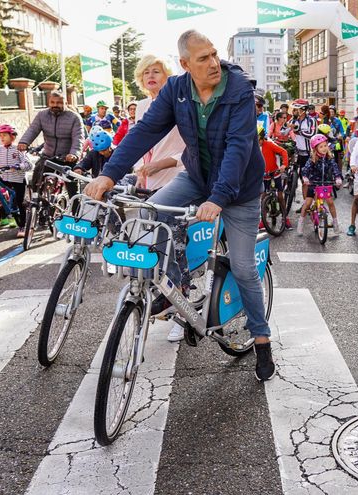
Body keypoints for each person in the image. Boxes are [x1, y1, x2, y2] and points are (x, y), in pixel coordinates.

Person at [84, 30, 275, 380]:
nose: (214, 63)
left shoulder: (238, 90)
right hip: (197, 176)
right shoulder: (177, 90)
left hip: (239, 190)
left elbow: (239, 147)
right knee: (148, 215)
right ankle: (177, 289)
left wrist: (219, 198)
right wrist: (109, 175)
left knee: (245, 268)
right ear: (185, 65)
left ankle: (261, 340)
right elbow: (145, 132)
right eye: (203, 59)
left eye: (215, 54)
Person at [127, 55, 186, 195]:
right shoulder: (141, 106)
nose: (150, 76)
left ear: (169, 77)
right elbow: (138, 143)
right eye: (146, 72)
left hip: (176, 178)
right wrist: (140, 171)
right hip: (147, 183)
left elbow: (193, 150)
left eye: (156, 71)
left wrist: (160, 165)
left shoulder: (181, 104)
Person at [17, 90, 84, 194]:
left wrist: (74, 154)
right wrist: (24, 142)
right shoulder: (42, 115)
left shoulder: (74, 118)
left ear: (65, 103)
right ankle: (36, 204)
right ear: (49, 103)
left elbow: (78, 138)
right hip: (48, 156)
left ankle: (74, 209)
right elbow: (32, 130)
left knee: (73, 189)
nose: (55, 105)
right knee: (36, 182)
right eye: (52, 102)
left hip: (67, 158)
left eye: (59, 102)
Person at [298, 134, 342, 234]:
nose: (324, 148)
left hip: (325, 183)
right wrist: (305, 177)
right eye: (321, 146)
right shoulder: (312, 159)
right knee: (308, 203)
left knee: (330, 202)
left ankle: (335, 222)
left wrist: (338, 177)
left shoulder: (329, 158)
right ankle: (301, 221)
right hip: (313, 183)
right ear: (315, 148)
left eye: (325, 145)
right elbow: (306, 169)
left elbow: (335, 168)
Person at [258, 125, 292, 230]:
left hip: (275, 174)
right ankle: (263, 220)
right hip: (263, 176)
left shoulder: (269, 144)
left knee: (280, 197)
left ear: (262, 137)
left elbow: (283, 152)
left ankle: (285, 218)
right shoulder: (251, 146)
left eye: (257, 139)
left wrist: (284, 165)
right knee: (262, 198)